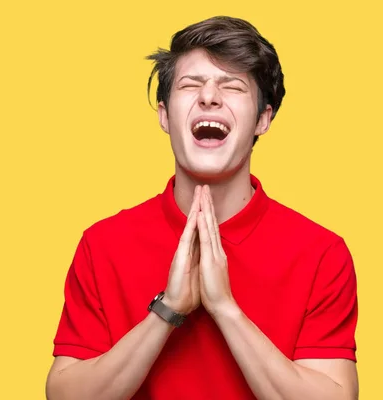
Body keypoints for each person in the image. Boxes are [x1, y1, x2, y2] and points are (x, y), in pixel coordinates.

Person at [45, 16, 359, 400]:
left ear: (263, 119)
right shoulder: (103, 244)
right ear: (164, 115)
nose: (209, 96)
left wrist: (225, 308)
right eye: (191, 85)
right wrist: (168, 310)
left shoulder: (321, 253)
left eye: (232, 86)